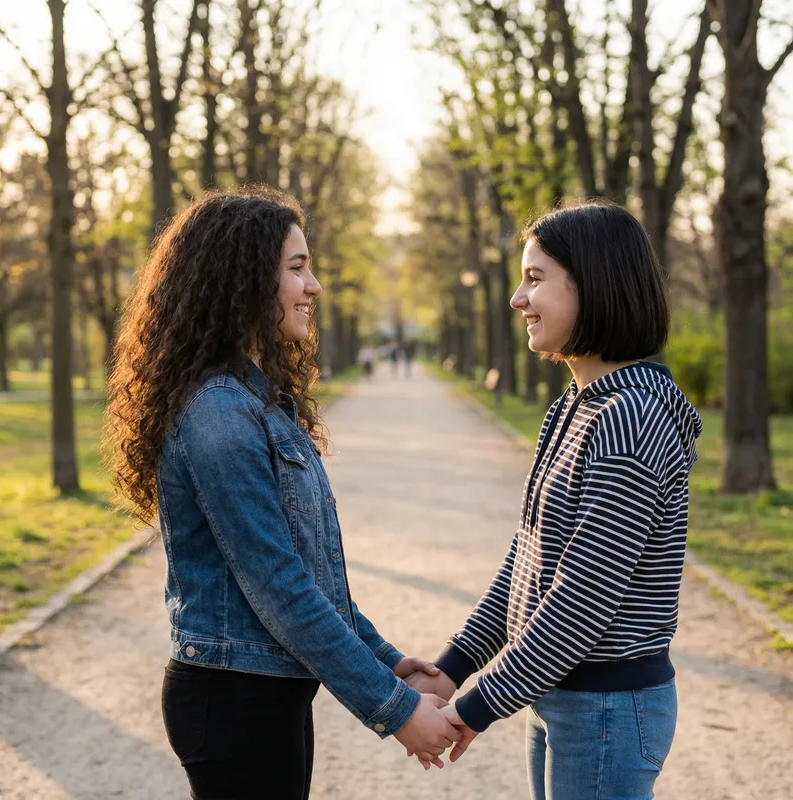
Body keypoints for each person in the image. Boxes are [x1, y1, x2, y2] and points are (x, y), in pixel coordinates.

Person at [104, 188, 459, 799]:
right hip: (234, 702)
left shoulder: (254, 402)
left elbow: (306, 573)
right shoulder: (218, 414)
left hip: (265, 694)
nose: (314, 286)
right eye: (296, 268)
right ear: (242, 280)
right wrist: (395, 709)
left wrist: (388, 660)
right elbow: (278, 584)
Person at [408, 201, 703, 799]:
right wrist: (455, 666)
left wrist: (476, 708)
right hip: (560, 693)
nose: (517, 298)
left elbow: (583, 600)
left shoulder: (631, 420)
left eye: (535, 279)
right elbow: (530, 559)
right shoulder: (576, 405)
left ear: (594, 287)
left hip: (606, 707)